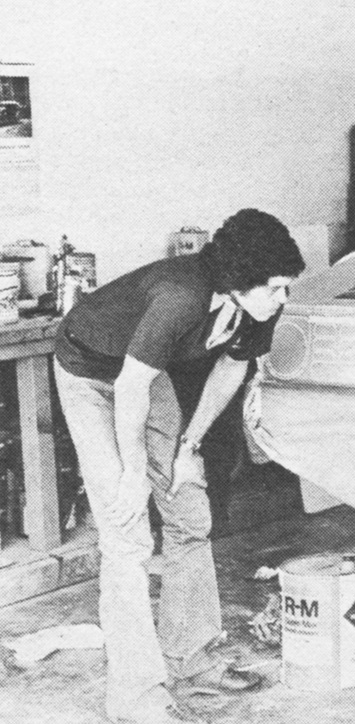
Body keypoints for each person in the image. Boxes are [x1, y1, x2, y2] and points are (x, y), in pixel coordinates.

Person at [53, 209, 306, 724]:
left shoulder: (258, 305)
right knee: (126, 534)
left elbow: (232, 366)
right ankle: (136, 697)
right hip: (91, 375)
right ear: (240, 279)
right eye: (276, 287)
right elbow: (129, 387)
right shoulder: (180, 293)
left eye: (286, 287)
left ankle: (193, 663)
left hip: (147, 377)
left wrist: (188, 448)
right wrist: (133, 476)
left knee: (190, 515)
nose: (283, 298)